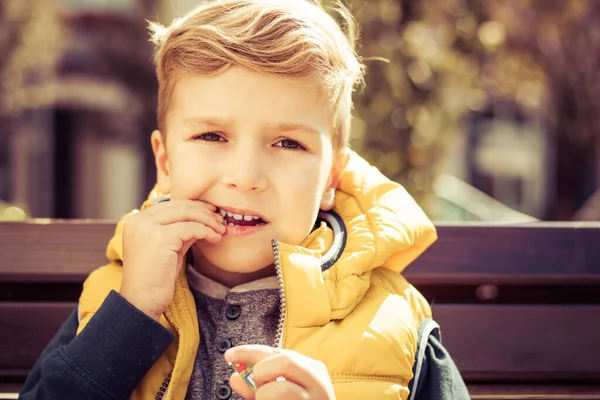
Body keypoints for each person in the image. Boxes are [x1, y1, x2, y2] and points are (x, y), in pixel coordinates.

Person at [19, 0, 469, 399]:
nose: (245, 177)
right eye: (212, 135)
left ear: (331, 177)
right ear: (166, 162)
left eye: (289, 144)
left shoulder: (396, 330)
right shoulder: (112, 299)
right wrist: (131, 315)